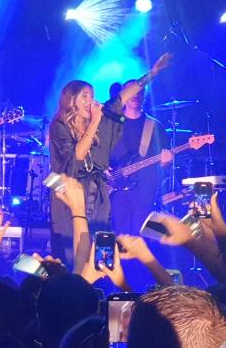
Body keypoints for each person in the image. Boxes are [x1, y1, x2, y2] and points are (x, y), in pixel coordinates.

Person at [48, 54, 171, 268]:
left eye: (92, 95)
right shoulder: (59, 126)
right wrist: (95, 121)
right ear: (71, 100)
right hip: (71, 196)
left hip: (97, 196)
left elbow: (122, 97)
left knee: (98, 249)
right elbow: (77, 156)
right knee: (71, 252)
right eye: (85, 96)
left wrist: (152, 73)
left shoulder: (99, 121)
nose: (91, 101)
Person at [108, 81, 173, 235]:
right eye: (132, 91)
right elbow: (98, 152)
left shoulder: (155, 127)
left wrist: (166, 162)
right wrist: (104, 169)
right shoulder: (110, 123)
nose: (136, 95)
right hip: (115, 188)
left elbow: (164, 164)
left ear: (145, 96)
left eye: (140, 92)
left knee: (142, 234)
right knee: (119, 234)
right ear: (122, 95)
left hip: (145, 190)